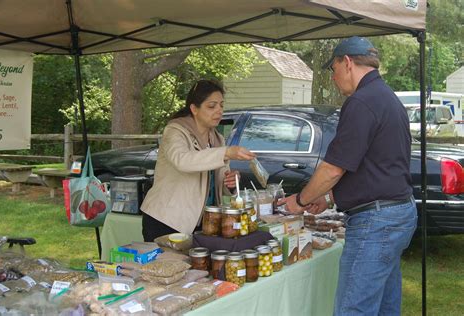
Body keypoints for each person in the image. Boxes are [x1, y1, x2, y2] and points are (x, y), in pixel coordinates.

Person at [279, 36, 417, 315]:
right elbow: (375, 165)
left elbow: (333, 168)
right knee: (385, 307)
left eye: (334, 70)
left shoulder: (361, 102)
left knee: (353, 308)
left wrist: (302, 200)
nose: (333, 77)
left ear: (348, 62)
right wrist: (328, 197)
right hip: (399, 212)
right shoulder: (388, 98)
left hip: (376, 223)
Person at [140, 79, 255, 242]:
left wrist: (230, 182)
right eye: (211, 106)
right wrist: (226, 153)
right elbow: (183, 160)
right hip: (167, 220)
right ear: (194, 108)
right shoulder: (174, 131)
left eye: (221, 105)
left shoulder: (217, 139)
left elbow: (219, 180)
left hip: (204, 222)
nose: (219, 111)